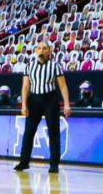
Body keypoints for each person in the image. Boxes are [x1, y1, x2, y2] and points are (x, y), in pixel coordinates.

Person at [14, 42, 71, 174]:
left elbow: (63, 86)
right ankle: (24, 162)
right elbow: (25, 87)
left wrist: (66, 104)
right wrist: (24, 104)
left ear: (49, 51)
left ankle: (54, 164)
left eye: (44, 48)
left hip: (50, 99)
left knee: (53, 132)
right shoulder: (29, 66)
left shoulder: (55, 66)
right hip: (34, 100)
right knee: (28, 131)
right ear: (35, 51)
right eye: (39, 48)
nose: (41, 50)